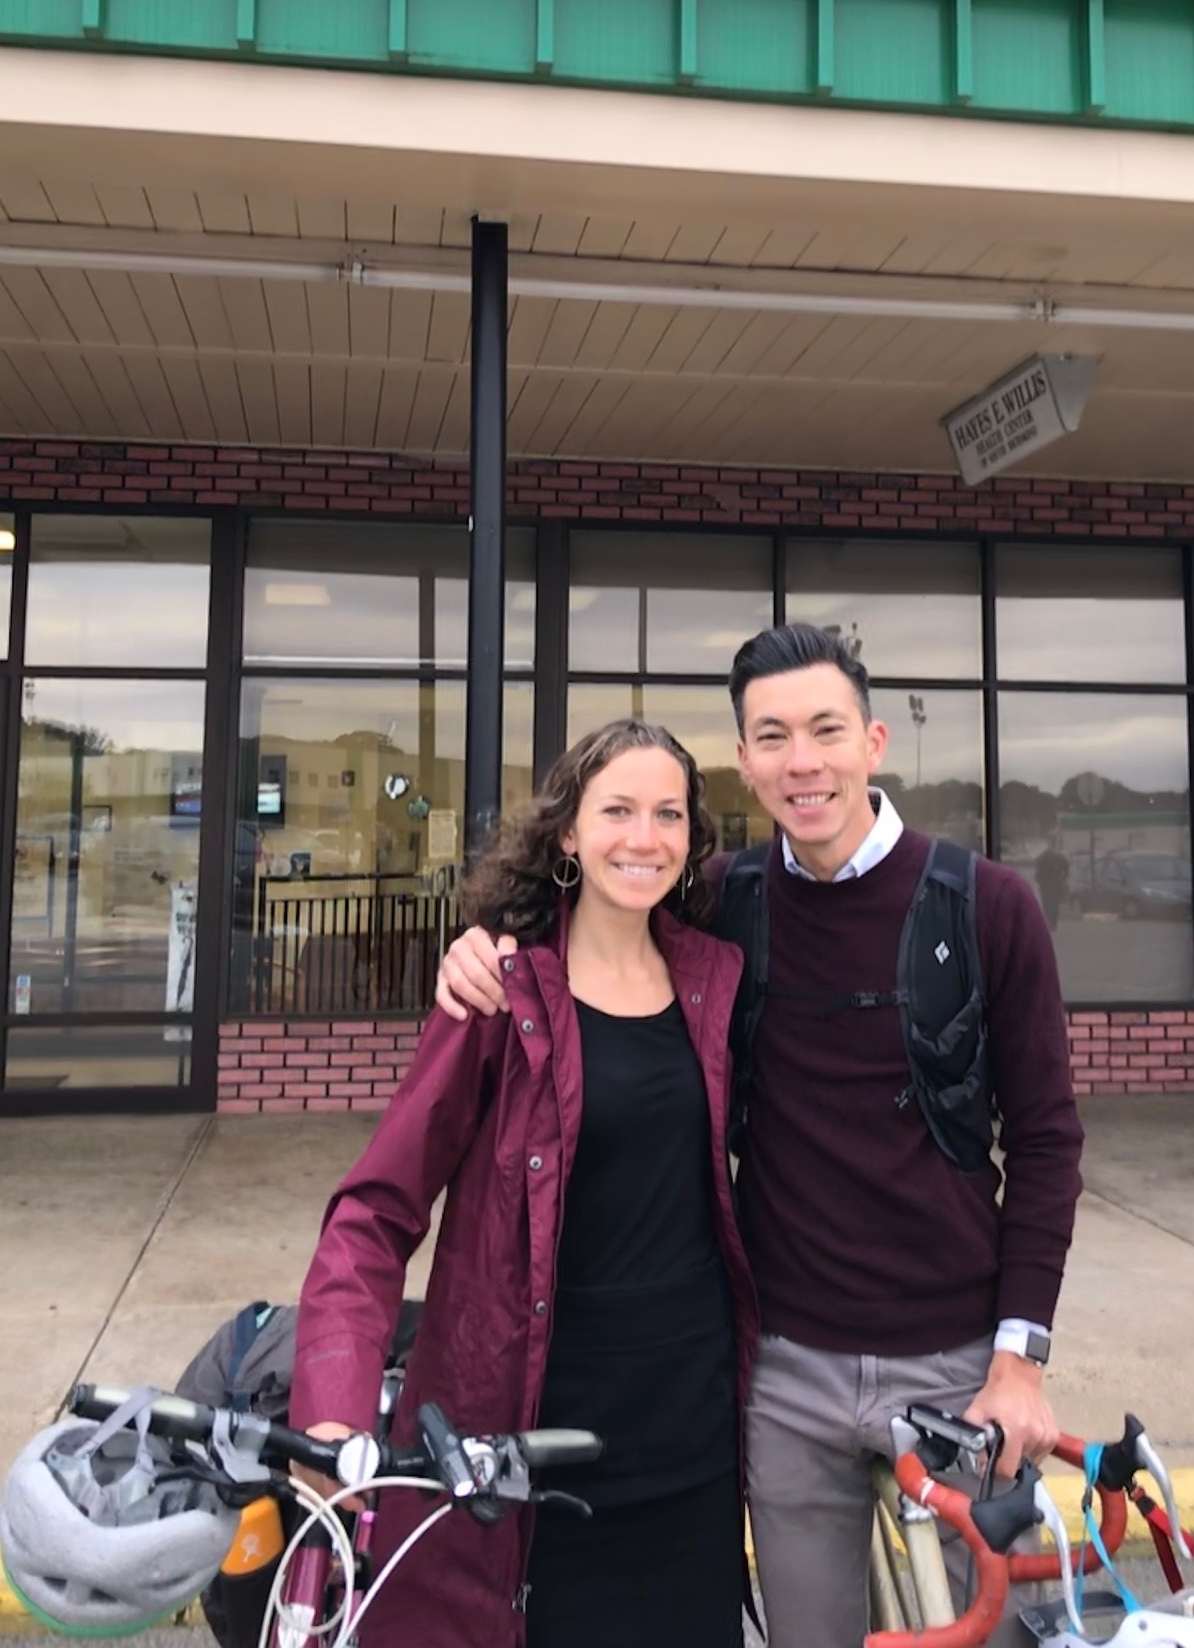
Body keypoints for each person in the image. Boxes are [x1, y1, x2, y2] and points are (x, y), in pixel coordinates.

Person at [438, 625, 1084, 1648]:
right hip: (786, 1373)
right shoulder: (727, 899)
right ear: (744, 762)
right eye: (772, 737)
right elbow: (603, 907)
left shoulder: (989, 905)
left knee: (995, 1635)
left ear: (873, 741)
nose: (803, 761)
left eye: (826, 730)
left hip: (957, 1366)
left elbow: (1047, 1141)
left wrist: (1020, 1362)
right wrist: (485, 947)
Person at [291, 719, 758, 1648]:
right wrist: (333, 1409)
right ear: (569, 835)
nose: (644, 836)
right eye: (617, 810)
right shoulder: (500, 996)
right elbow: (373, 1215)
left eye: (668, 814)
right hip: (526, 1454)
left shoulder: (717, 978)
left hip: (692, 1447)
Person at [1034, 840, 1071, 931]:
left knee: (1046, 904)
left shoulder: (1042, 857)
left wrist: (1038, 880)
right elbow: (1067, 866)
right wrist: (1064, 877)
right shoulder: (1059, 857)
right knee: (1054, 905)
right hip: (1055, 884)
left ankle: (1048, 923)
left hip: (1045, 885)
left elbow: (1037, 869)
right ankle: (1053, 924)